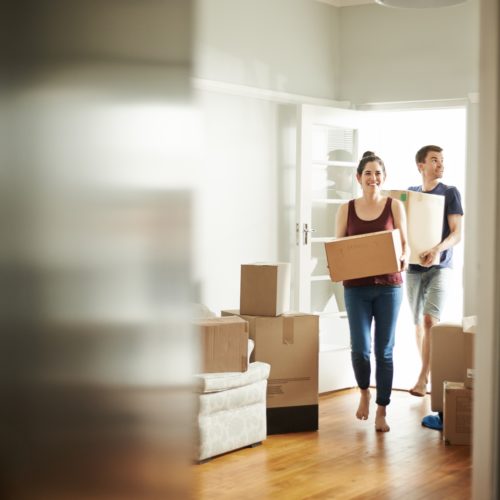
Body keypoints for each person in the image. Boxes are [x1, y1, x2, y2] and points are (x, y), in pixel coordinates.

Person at [336, 151, 409, 432]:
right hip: (356, 289)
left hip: (390, 286)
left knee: (385, 351)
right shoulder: (347, 209)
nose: (373, 178)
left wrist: (404, 255)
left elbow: (406, 243)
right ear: (358, 177)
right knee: (361, 350)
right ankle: (365, 391)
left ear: (384, 177)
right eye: (368, 173)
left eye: (378, 173)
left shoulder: (395, 207)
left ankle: (382, 409)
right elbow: (339, 248)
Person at [406, 145, 463, 429]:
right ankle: (425, 374)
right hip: (413, 269)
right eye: (434, 160)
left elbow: (457, 233)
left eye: (442, 160)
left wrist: (437, 249)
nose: (440, 164)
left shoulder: (450, 192)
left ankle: (423, 376)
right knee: (417, 324)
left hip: (440, 267)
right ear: (421, 165)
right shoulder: (412, 193)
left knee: (430, 320)